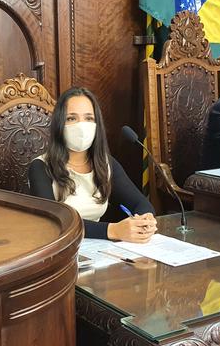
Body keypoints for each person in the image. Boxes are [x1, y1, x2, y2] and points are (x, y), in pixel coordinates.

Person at [28, 88, 157, 243]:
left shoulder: (105, 163)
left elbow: (141, 203)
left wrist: (145, 220)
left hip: (98, 248)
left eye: (89, 118)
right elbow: (53, 221)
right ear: (59, 125)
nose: (81, 126)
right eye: (71, 118)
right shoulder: (40, 167)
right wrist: (112, 230)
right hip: (60, 247)